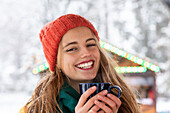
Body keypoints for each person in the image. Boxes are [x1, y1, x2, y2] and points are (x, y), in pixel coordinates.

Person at [19, 14, 141, 113]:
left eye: (90, 45)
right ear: (56, 62)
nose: (86, 53)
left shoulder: (124, 102)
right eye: (72, 49)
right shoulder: (35, 110)